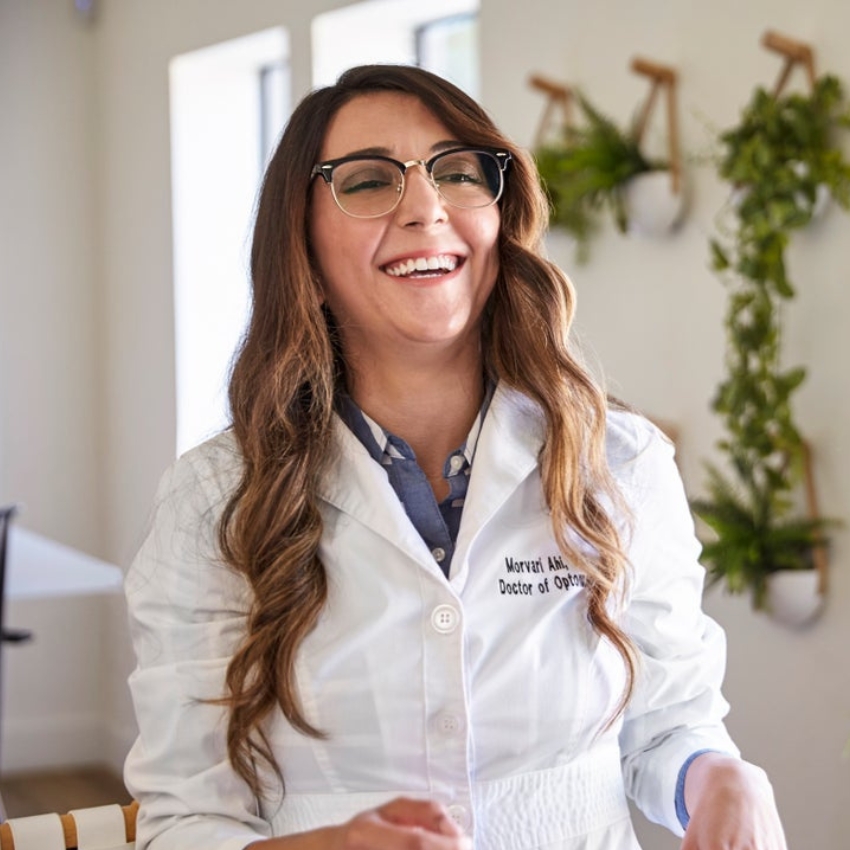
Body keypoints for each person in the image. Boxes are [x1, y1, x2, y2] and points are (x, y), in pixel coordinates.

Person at [124, 64, 788, 850]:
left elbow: (669, 725)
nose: (425, 207)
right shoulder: (216, 500)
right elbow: (185, 818)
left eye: (458, 173)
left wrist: (720, 777)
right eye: (368, 181)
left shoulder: (620, 461)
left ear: (499, 216)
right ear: (299, 237)